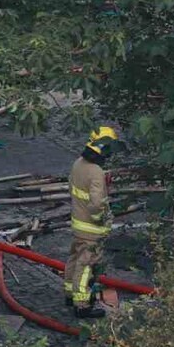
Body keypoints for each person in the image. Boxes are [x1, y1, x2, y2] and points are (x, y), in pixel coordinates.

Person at [64, 126, 118, 317]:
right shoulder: (95, 171)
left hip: (77, 223)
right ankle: (82, 304)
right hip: (91, 229)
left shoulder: (78, 164)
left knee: (75, 258)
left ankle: (70, 293)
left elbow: (72, 188)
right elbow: (96, 205)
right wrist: (103, 219)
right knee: (86, 265)